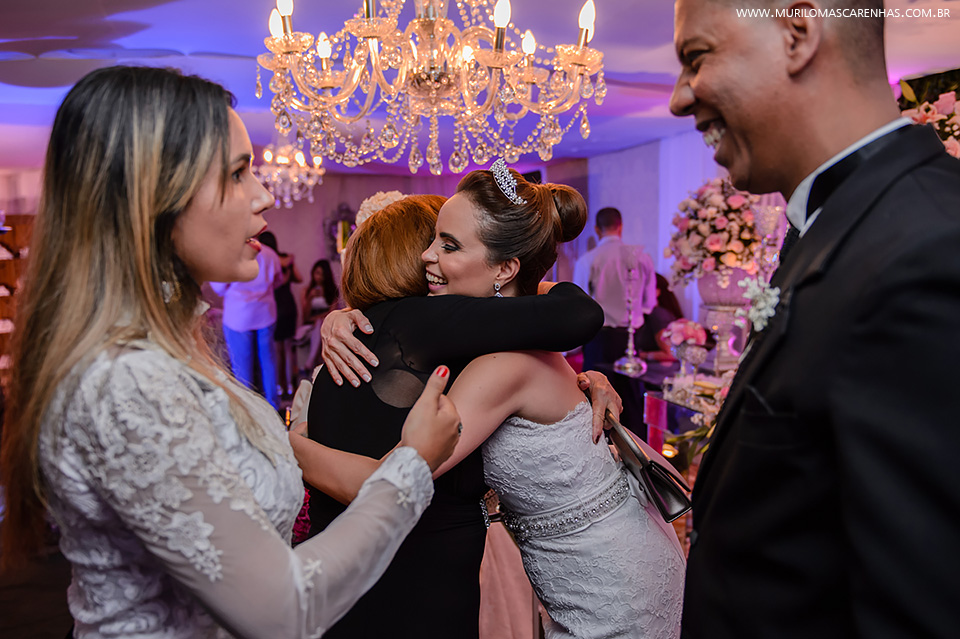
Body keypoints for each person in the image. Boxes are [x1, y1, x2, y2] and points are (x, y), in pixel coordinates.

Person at [0, 65, 462, 639]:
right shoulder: (128, 381)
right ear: (155, 197)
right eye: (238, 173)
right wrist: (412, 462)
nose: (264, 195)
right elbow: (283, 609)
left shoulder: (169, 345)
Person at [669, 1, 960, 637]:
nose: (678, 98)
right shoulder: (835, 226)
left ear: (797, 34)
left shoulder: (930, 252)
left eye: (696, 58)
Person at [301, 163, 686, 638]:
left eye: (448, 245)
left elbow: (387, 480)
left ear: (505, 269)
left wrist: (283, 441)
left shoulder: (500, 365)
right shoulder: (509, 339)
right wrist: (343, 315)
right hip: (605, 558)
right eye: (433, 240)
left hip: (611, 578)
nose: (425, 256)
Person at [573, 207, 657, 372]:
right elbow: (649, 301)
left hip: (599, 338)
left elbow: (579, 304)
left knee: (597, 384)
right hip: (633, 336)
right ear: (621, 227)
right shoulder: (643, 258)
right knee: (629, 386)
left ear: (597, 229)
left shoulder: (588, 260)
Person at [209, 240, 284, 409]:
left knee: (242, 367)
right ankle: (273, 405)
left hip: (239, 315)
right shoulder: (269, 253)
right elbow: (278, 280)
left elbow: (218, 288)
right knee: (268, 363)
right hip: (265, 313)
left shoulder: (231, 255)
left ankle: (248, 409)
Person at [258, 231, 302, 398]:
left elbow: (297, 278)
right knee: (287, 348)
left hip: (276, 306)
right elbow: (297, 278)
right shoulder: (283, 259)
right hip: (287, 306)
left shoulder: (264, 259)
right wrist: (289, 264)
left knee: (278, 350)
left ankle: (282, 387)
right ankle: (289, 386)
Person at [300, 259, 339, 372]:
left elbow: (332, 313)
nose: (319, 277)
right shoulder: (306, 291)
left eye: (322, 274)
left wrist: (318, 318)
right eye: (317, 273)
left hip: (325, 324)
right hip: (310, 326)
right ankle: (312, 362)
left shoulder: (332, 291)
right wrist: (310, 298)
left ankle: (310, 362)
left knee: (320, 324)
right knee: (318, 325)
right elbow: (305, 317)